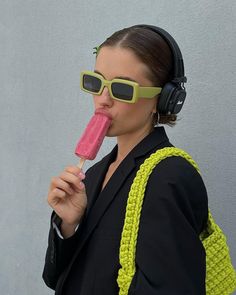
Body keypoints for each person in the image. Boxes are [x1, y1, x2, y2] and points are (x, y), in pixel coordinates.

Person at [42, 24, 208, 294]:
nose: (102, 100)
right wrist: (68, 225)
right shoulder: (93, 175)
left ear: (162, 99)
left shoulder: (169, 177)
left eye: (121, 89)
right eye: (96, 83)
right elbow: (55, 278)